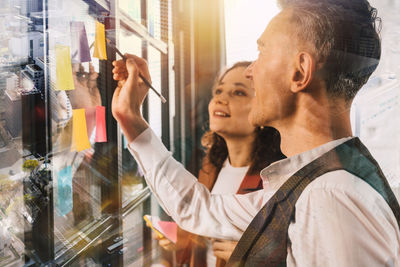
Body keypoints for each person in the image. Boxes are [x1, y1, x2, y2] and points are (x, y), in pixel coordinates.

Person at [111, 0, 400, 265]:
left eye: (262, 52)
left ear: (299, 72)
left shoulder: (332, 197)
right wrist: (131, 119)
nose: (251, 70)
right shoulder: (314, 183)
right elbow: (198, 209)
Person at [150, 61, 285, 267]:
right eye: (219, 90)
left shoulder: (278, 180)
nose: (221, 98)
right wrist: (181, 240)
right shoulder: (211, 165)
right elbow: (203, 229)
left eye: (238, 93)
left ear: (264, 109)